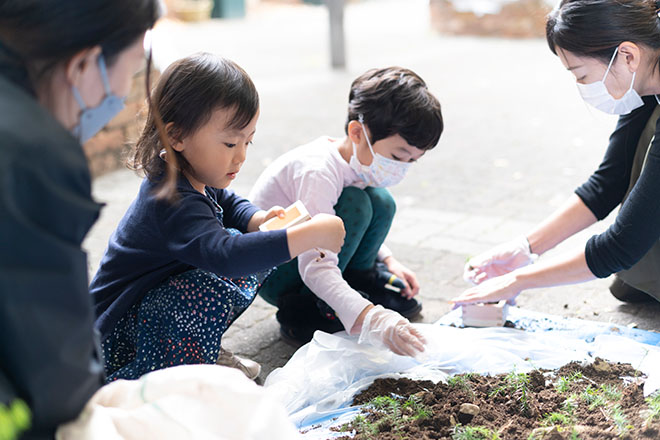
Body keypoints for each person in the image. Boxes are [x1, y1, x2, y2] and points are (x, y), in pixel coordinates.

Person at [89, 53, 346, 382]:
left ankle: (196, 352)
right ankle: (167, 377)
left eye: (247, 142)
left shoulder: (189, 173)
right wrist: (309, 235)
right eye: (229, 143)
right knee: (225, 269)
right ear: (177, 136)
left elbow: (226, 200)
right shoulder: (170, 199)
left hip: (143, 316)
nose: (240, 156)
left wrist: (256, 218)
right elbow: (226, 257)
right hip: (114, 338)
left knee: (251, 246)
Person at [0, 0, 161, 438]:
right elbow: (57, 373)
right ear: (85, 63)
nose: (125, 93)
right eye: (129, 72)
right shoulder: (34, 153)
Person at [453, 0, 660, 307]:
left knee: (631, 264)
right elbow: (608, 182)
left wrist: (516, 281)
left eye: (580, 74)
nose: (580, 86)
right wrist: (525, 248)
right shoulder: (642, 79)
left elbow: (621, 246)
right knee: (631, 282)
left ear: (627, 55)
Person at [249, 67, 442, 354]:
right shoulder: (318, 172)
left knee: (381, 201)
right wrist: (370, 318)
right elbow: (315, 264)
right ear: (357, 132)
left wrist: (389, 261)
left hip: (308, 255)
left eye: (412, 160)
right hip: (276, 273)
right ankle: (305, 310)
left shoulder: (355, 161)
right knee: (357, 203)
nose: (402, 167)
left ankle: (356, 287)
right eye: (398, 156)